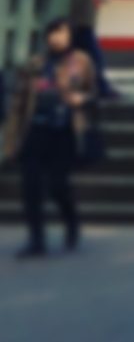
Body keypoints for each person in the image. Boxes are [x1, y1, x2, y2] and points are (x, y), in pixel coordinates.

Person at [3, 16, 98, 257]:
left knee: (58, 186)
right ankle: (37, 240)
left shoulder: (81, 62)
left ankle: (71, 220)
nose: (58, 38)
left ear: (71, 37)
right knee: (31, 187)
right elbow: (19, 102)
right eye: (53, 33)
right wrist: (12, 136)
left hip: (64, 131)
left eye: (63, 33)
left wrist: (82, 99)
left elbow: (93, 93)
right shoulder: (36, 63)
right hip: (36, 130)